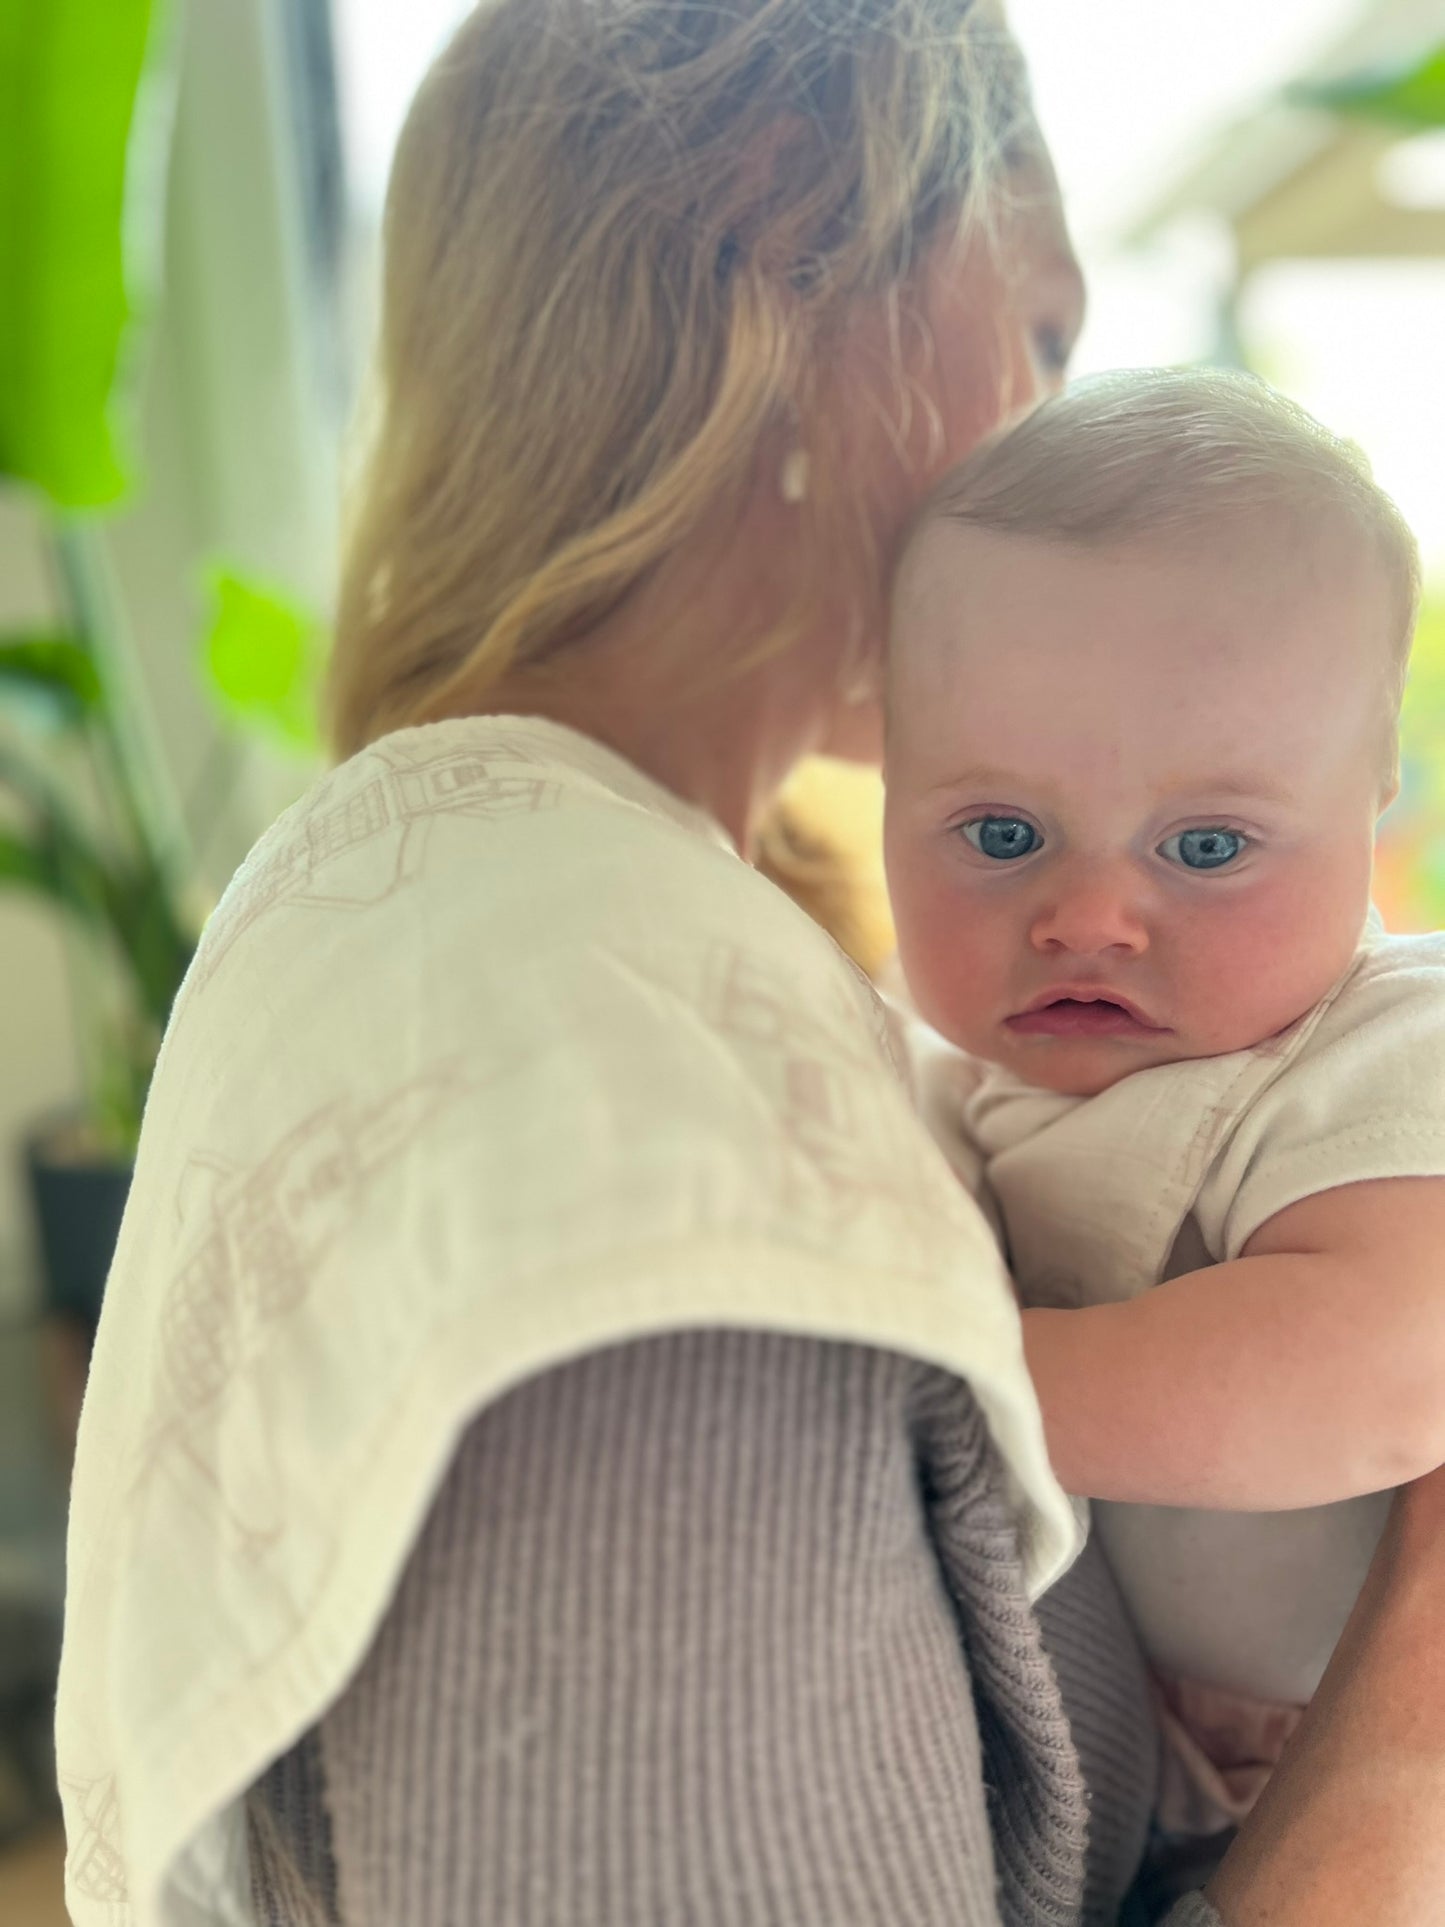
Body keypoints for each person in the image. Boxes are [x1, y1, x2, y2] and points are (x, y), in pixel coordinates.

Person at [53, 5, 1445, 1924]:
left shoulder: (478, 918)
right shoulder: (597, 1024)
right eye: (1038, 337)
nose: (1055, 441)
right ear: (785, 240)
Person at [883, 367, 1445, 1841]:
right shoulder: (932, 1077)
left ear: (1369, 790)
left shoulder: (1379, 1047)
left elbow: (1385, 1367)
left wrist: (960, 1386)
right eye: (999, 833)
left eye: (1203, 846)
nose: (1087, 916)